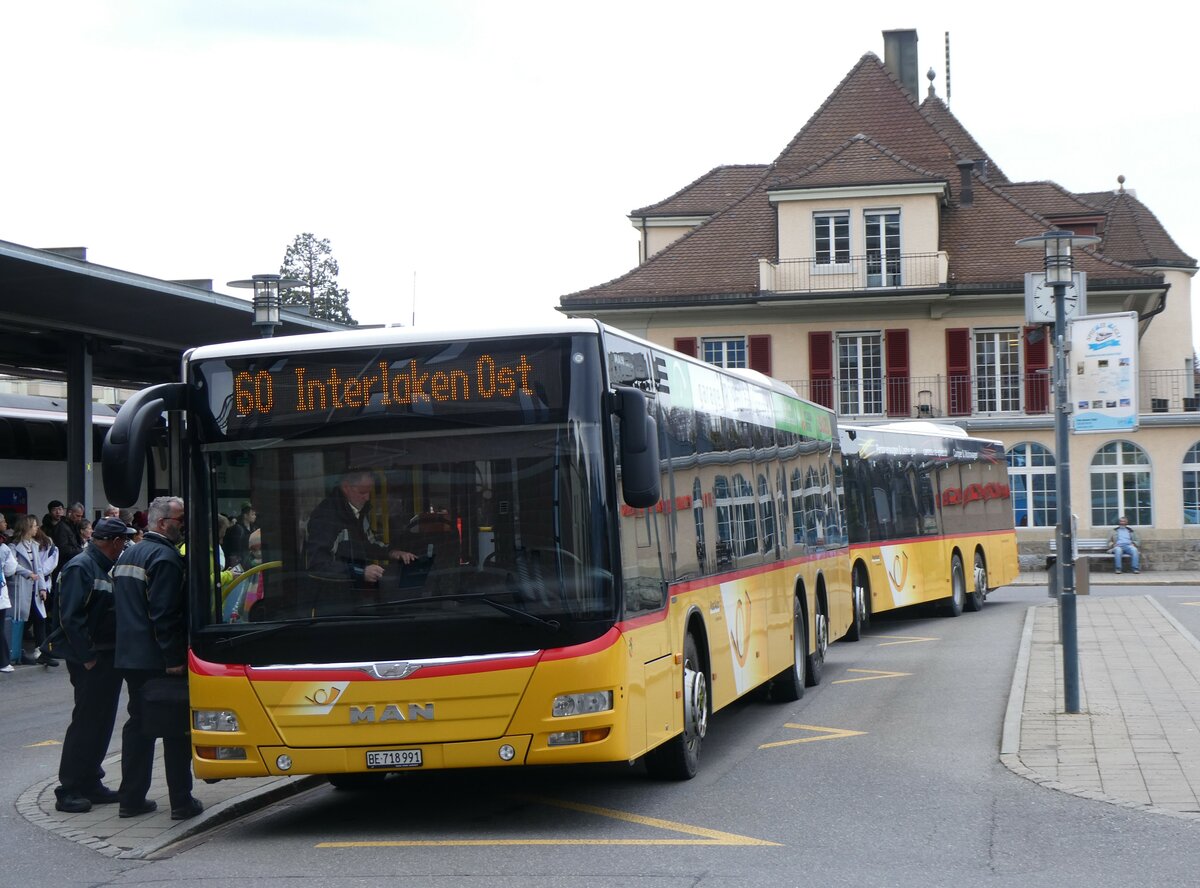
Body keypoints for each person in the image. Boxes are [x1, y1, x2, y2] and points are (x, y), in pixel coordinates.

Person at [113, 496, 203, 821]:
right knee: (175, 729)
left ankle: (131, 798)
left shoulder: (130, 553)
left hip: (130, 658)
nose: (184, 525)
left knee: (138, 726)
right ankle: (181, 801)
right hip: (158, 660)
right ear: (163, 523)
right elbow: (165, 614)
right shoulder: (165, 558)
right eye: (180, 518)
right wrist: (173, 657)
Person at [51, 517, 137, 813]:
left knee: (101, 722)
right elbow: (70, 618)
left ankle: (90, 781)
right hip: (91, 659)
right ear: (113, 542)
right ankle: (69, 788)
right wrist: (86, 656)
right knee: (87, 722)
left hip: (105, 656)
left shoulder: (102, 566)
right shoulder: (81, 566)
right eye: (123, 541)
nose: (125, 545)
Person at [305, 469, 416, 587]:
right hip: (331, 596)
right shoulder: (326, 517)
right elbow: (318, 565)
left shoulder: (359, 512)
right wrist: (360, 573)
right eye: (362, 492)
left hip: (355, 593)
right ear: (346, 487)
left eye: (369, 492)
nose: (367, 498)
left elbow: (369, 545)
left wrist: (392, 552)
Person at [6, 515, 43, 665]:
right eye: (34, 525)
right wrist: (29, 574)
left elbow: (39, 568)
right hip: (19, 587)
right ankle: (15, 651)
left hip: (33, 588)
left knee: (36, 618)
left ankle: (37, 650)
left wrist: (42, 588)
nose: (36, 528)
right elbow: (13, 566)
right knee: (18, 620)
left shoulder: (34, 545)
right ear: (27, 527)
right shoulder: (13, 546)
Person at [30, 525, 60, 665]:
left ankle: (42, 650)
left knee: (40, 619)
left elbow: (45, 568)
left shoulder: (49, 546)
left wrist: (38, 576)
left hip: (41, 586)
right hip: (31, 585)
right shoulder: (22, 544)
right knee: (35, 619)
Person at [222, 502, 256, 570]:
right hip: (241, 560)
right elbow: (237, 549)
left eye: (254, 514)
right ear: (245, 515)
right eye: (252, 514)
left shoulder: (254, 528)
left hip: (249, 558)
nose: (255, 516)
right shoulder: (238, 529)